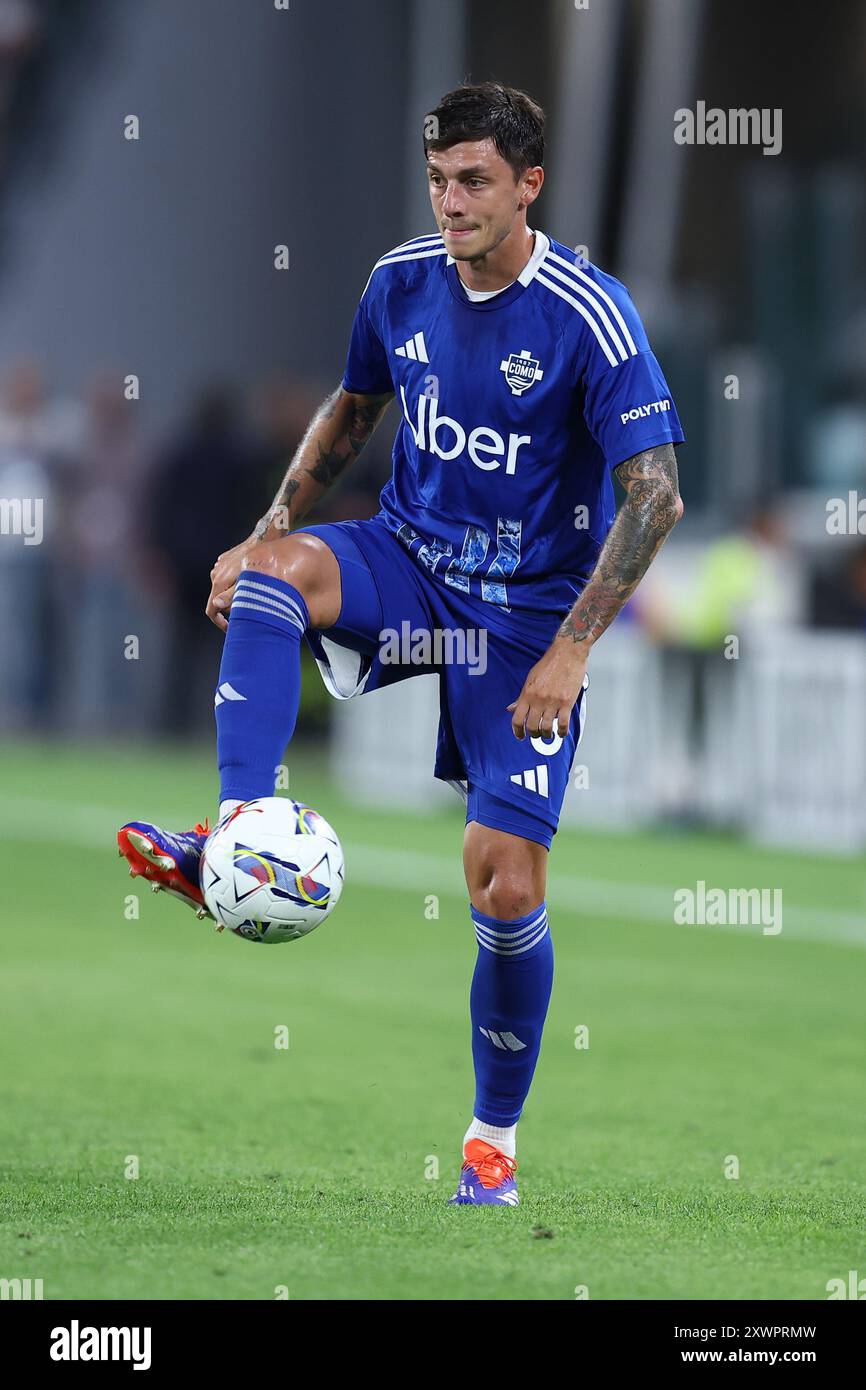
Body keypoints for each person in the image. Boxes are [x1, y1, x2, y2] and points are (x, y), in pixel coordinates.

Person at [118, 82, 684, 1206]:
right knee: (275, 581)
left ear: (528, 184)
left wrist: (568, 653)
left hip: (523, 617)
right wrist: (263, 530)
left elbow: (654, 497)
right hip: (410, 560)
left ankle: (489, 1144)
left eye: (473, 180)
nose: (449, 201)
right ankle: (235, 834)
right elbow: (350, 407)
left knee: (505, 884)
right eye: (436, 179)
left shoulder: (588, 313)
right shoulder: (399, 281)